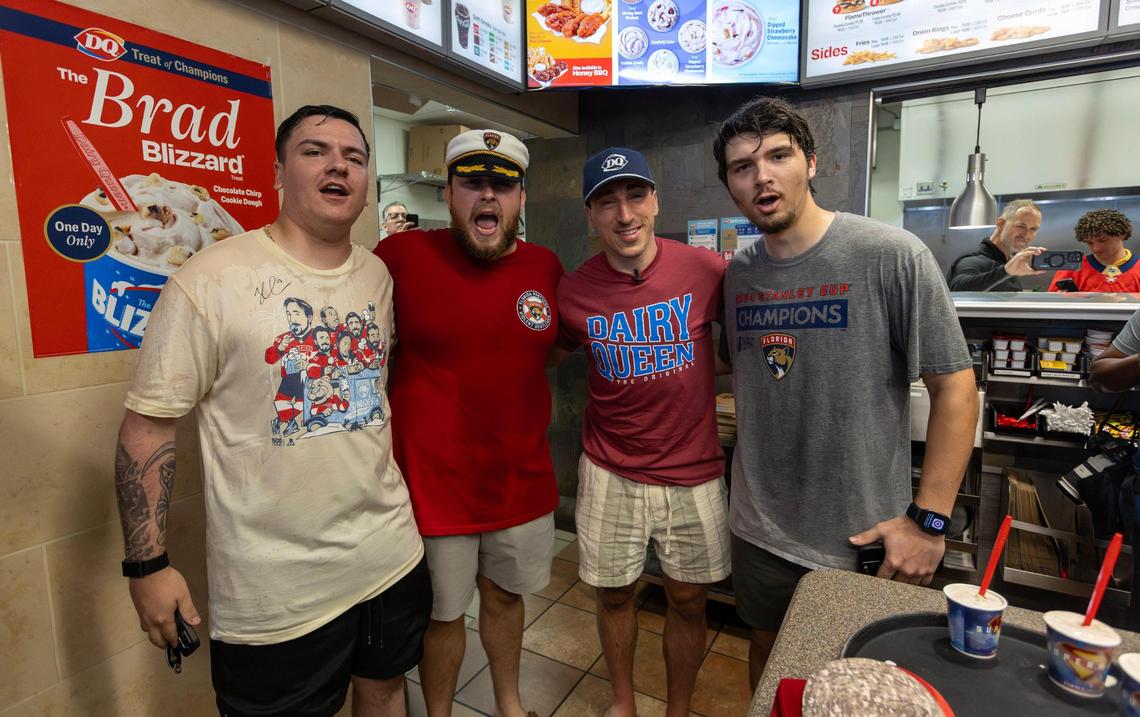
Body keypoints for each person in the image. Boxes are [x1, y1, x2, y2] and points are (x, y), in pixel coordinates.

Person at [114, 105, 428, 717]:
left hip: (390, 554)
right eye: (315, 151)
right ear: (279, 171)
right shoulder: (209, 281)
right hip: (275, 592)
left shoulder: (378, 275)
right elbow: (148, 424)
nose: (338, 165)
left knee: (387, 691)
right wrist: (146, 564)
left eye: (355, 157)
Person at [713, 97, 980, 689]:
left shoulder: (890, 254)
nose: (763, 176)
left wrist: (928, 523)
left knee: (862, 680)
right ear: (729, 184)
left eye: (779, 155)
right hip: (760, 526)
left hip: (865, 532)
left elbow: (957, 387)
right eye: (742, 167)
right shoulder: (739, 273)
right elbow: (740, 366)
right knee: (770, 656)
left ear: (811, 162)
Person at [373, 129, 563, 717]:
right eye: (473, 183)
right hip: (433, 486)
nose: (488, 197)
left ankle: (509, 705)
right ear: (451, 194)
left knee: (506, 599)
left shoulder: (545, 266)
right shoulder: (400, 258)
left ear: (521, 198)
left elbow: (548, 351)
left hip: (520, 479)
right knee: (442, 614)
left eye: (501, 185)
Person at [553, 148, 729, 717]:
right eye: (607, 201)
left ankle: (678, 709)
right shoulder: (574, 292)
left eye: (634, 196)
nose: (623, 214)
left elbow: (746, 339)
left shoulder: (706, 270)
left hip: (694, 469)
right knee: (613, 595)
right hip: (609, 468)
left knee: (688, 600)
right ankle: (624, 703)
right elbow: (542, 353)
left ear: (656, 202)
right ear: (590, 216)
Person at [947, 199, 1046, 291]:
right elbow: (957, 289)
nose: (1026, 234)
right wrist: (1006, 271)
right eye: (1020, 226)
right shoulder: (971, 261)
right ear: (1000, 223)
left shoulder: (1008, 264)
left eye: (1033, 229)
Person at [1049, 209, 1140, 292]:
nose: (1096, 248)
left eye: (1102, 240)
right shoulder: (1072, 269)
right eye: (1089, 243)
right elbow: (1051, 305)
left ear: (1122, 234)